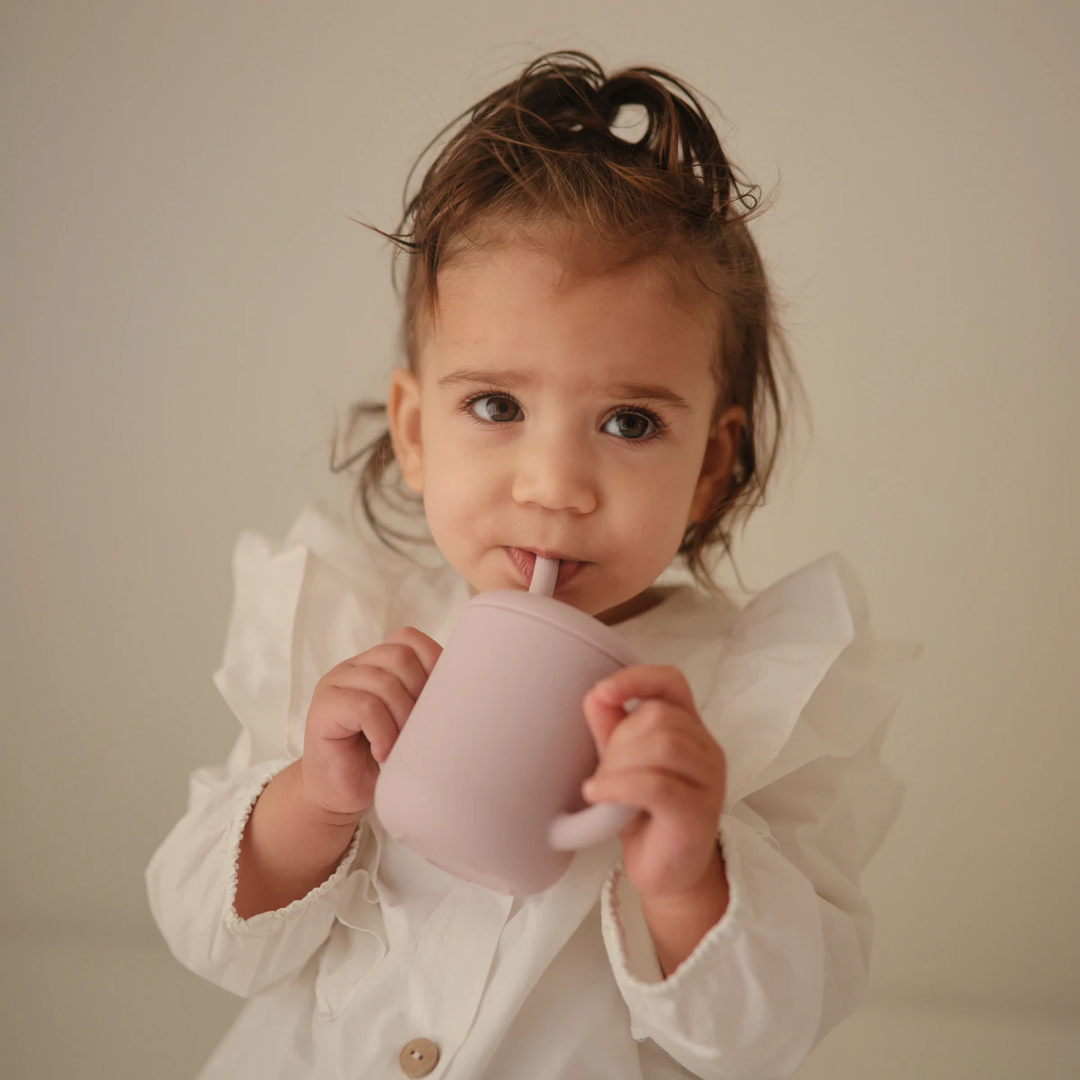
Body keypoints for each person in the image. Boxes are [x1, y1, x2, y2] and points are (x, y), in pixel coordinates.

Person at [146, 50, 922, 1080]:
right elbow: (203, 932)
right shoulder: (352, 637)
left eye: (631, 421)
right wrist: (310, 803)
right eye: (496, 406)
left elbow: (774, 1028)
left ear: (710, 467)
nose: (555, 483)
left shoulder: (745, 703)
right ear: (416, 432)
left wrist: (690, 877)